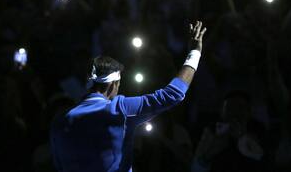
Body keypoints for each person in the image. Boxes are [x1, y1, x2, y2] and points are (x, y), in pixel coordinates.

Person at [50, 21, 207, 172]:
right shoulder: (119, 109)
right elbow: (173, 94)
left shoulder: (59, 119)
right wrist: (194, 53)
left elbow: (58, 166)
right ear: (113, 84)